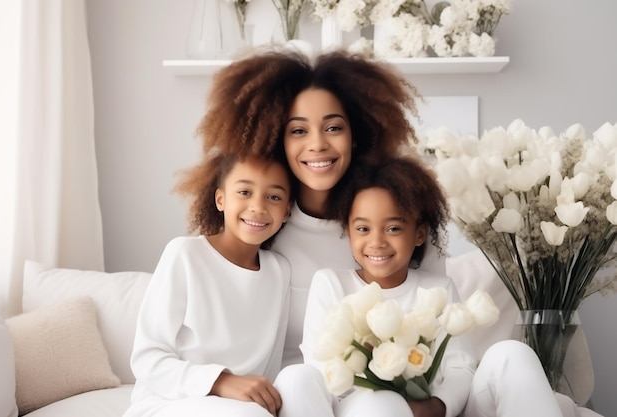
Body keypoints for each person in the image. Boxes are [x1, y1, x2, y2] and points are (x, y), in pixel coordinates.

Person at [198, 46, 446, 370]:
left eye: (333, 127)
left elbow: (436, 327)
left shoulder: (398, 220)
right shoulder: (258, 225)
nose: (317, 144)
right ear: (277, 141)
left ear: (356, 136)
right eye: (298, 130)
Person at [275, 156, 567, 417]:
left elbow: (460, 368)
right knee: (373, 401)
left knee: (513, 354)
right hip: (360, 408)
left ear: (419, 234)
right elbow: (321, 366)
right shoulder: (331, 283)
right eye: (363, 228)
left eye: (393, 228)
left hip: (437, 409)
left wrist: (437, 405)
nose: (377, 241)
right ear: (348, 232)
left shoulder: (437, 288)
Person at [123, 152, 294, 417]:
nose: (258, 206)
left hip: (243, 409)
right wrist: (221, 381)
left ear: (286, 211)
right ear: (220, 199)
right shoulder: (185, 255)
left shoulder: (279, 271)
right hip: (168, 403)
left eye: (273, 197)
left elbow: (270, 366)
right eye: (245, 191)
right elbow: (147, 358)